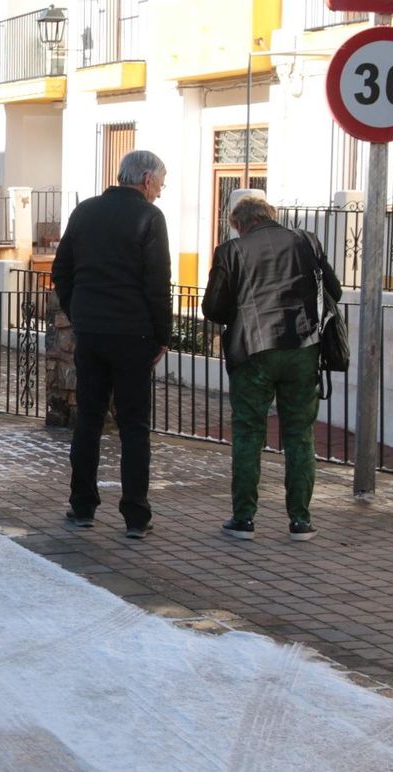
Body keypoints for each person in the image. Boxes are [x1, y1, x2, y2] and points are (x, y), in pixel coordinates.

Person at [201, 196, 342, 542]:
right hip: (303, 350)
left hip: (252, 352)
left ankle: (244, 519)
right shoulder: (307, 241)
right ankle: (300, 522)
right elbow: (334, 290)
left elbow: (214, 309)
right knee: (299, 435)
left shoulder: (230, 252)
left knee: (249, 433)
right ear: (271, 217)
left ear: (241, 223)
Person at [52, 150, 172, 540]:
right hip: (133, 335)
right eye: (160, 184)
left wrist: (78, 312)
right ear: (146, 179)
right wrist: (162, 336)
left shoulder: (85, 211)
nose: (160, 191)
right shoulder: (149, 218)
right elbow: (157, 285)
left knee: (88, 418)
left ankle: (82, 506)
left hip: (91, 333)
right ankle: (136, 516)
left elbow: (62, 271)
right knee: (133, 425)